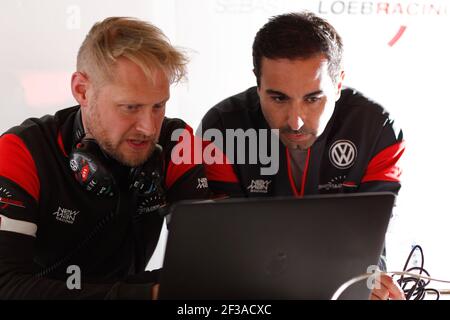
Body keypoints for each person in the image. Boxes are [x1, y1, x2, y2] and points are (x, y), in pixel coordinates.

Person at [0, 17, 210, 299]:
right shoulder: (20, 151)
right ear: (82, 91)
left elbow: (206, 267)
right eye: (130, 107)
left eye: (158, 106)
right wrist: (143, 296)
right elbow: (5, 285)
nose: (149, 128)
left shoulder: (177, 143)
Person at [200, 12, 405, 300]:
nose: (295, 121)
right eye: (278, 98)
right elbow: (225, 250)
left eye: (312, 98)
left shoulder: (378, 130)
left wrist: (373, 282)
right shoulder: (221, 129)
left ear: (338, 85)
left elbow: (373, 238)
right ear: (257, 85)